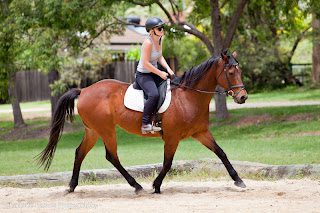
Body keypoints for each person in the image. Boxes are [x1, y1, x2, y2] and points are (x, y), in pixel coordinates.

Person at [136, 17, 175, 134]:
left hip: (154, 73)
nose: (162, 30)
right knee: (154, 95)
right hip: (143, 75)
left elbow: (159, 56)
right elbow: (146, 64)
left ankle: (158, 119)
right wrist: (160, 73)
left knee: (170, 88)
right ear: (152, 31)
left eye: (163, 28)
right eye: (159, 28)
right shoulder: (147, 43)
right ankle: (145, 124)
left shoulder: (159, 39)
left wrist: (169, 70)